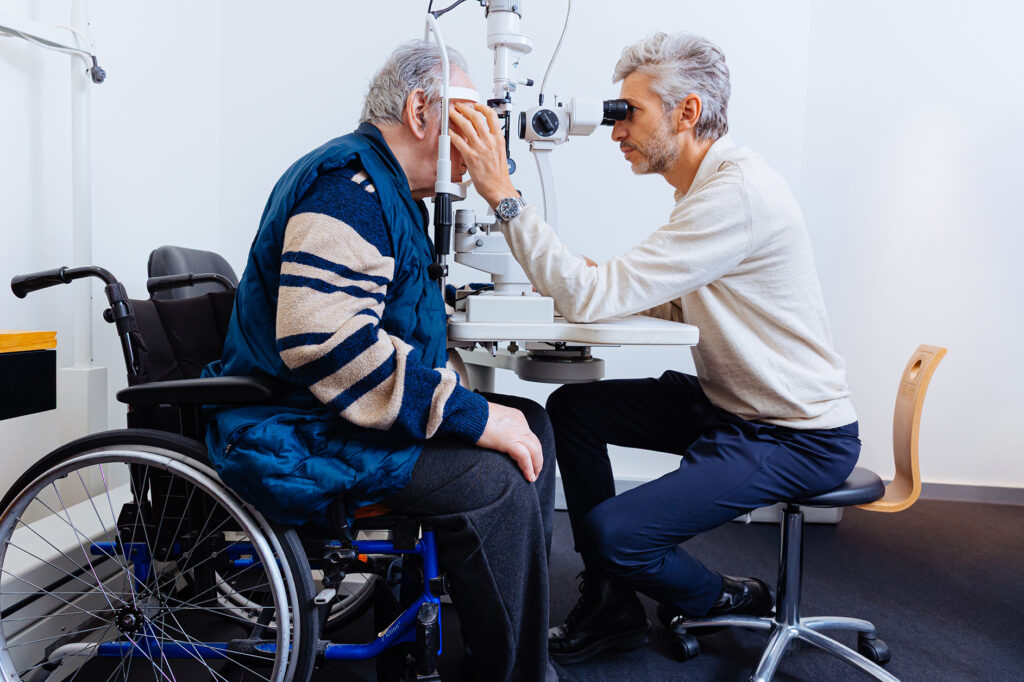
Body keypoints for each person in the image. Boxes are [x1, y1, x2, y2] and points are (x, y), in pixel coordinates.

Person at [449, 31, 860, 664]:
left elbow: (595, 298)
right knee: (575, 409)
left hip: (794, 433)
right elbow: (674, 299)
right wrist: (593, 282)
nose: (616, 131)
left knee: (613, 535)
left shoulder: (736, 195)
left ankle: (719, 595)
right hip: (730, 405)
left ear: (687, 112)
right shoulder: (704, 191)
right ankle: (613, 607)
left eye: (629, 113)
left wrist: (506, 198)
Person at [203, 41, 556, 681]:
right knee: (495, 481)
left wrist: (476, 411)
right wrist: (471, 416)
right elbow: (324, 341)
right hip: (298, 428)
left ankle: (503, 648)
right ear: (422, 111)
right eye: (473, 117)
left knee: (533, 421)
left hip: (336, 416)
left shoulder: (392, 192)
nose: (487, 135)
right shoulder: (350, 185)